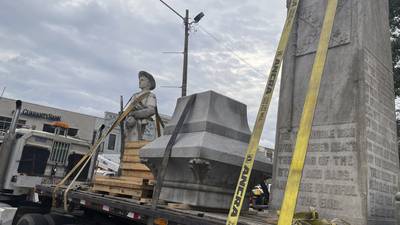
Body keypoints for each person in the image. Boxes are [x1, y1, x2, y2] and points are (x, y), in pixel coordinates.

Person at [124, 71, 157, 142]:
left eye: (142, 80)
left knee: (135, 142)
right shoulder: (135, 95)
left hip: (140, 124)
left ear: (148, 83)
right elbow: (129, 109)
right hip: (129, 123)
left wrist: (134, 114)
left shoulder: (150, 95)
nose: (139, 82)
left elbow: (151, 110)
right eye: (139, 80)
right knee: (127, 142)